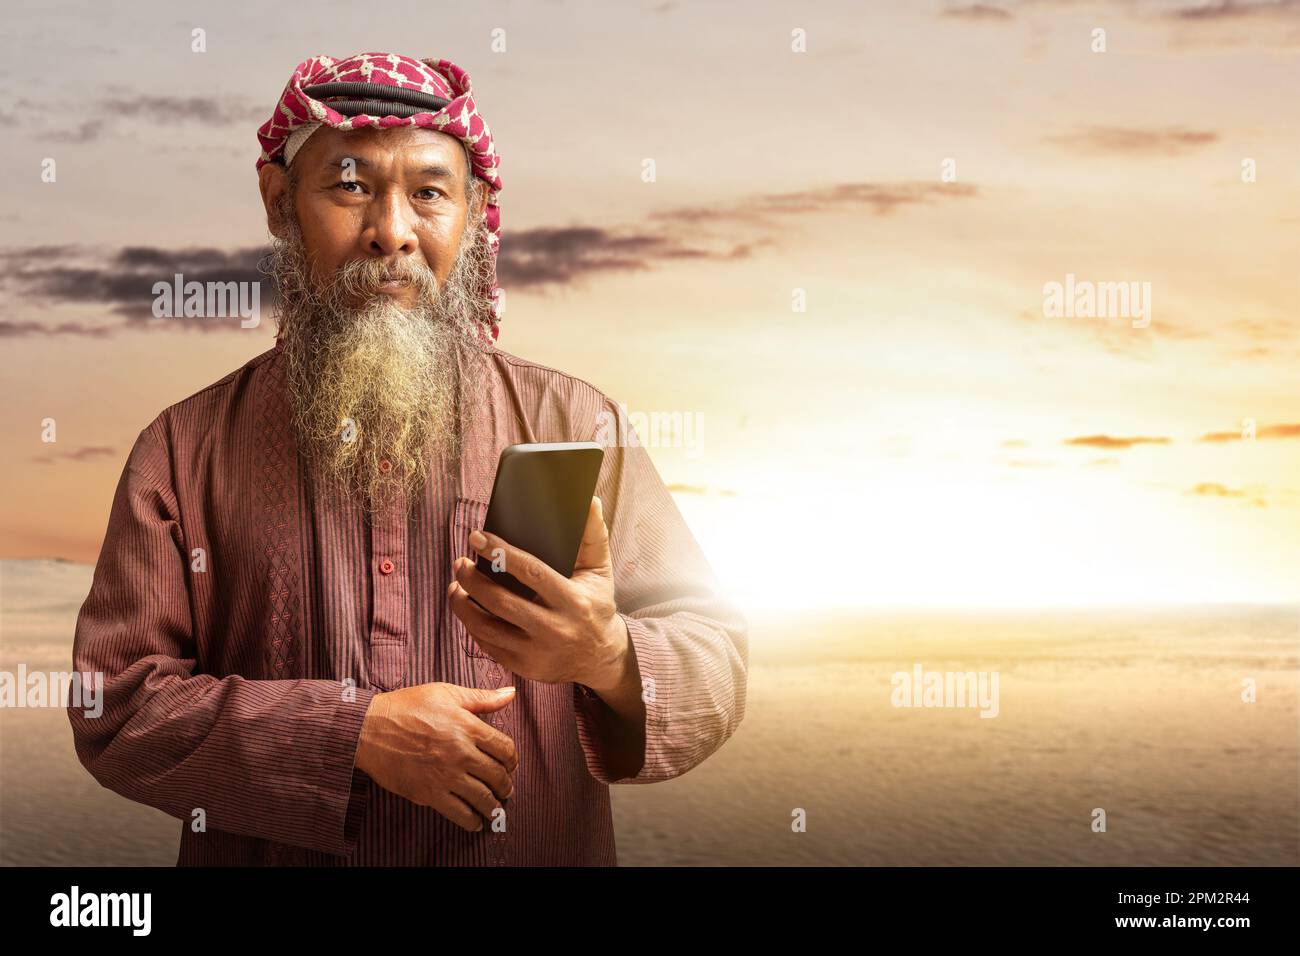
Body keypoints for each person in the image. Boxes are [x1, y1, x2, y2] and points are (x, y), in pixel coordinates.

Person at [66, 51, 748, 866]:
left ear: (473, 211)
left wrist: (607, 655)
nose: (392, 230)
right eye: (351, 186)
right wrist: (351, 734)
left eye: (429, 193)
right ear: (281, 204)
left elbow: (716, 659)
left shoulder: (575, 422)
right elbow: (115, 708)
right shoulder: (182, 452)